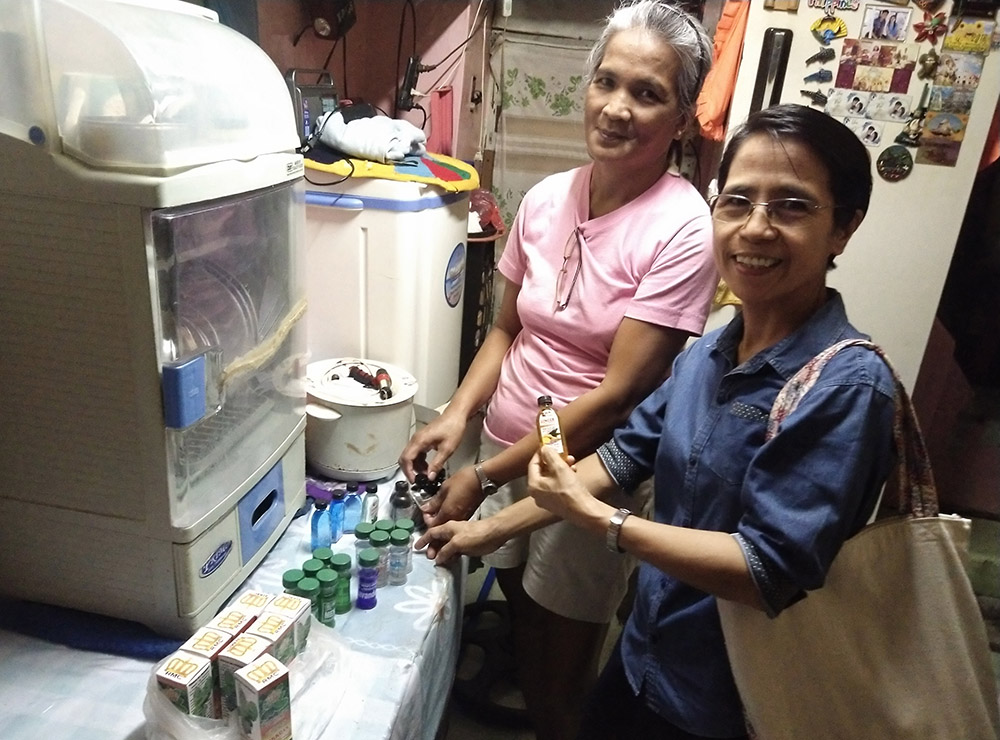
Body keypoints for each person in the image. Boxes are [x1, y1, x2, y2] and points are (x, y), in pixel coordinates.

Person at [418, 104, 897, 739]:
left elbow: (769, 569)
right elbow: (618, 460)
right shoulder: (706, 356)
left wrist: (606, 524)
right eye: (738, 201)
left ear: (843, 228)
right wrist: (486, 529)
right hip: (646, 651)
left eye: (791, 206)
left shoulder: (846, 386)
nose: (755, 228)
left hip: (734, 695)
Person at [399, 2, 717, 738]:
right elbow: (506, 326)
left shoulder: (683, 229)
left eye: (647, 93)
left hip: (585, 477)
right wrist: (456, 416)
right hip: (509, 451)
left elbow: (616, 399)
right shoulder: (546, 199)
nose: (617, 108)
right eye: (606, 82)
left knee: (558, 682)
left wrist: (480, 477)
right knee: (521, 620)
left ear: (681, 118)